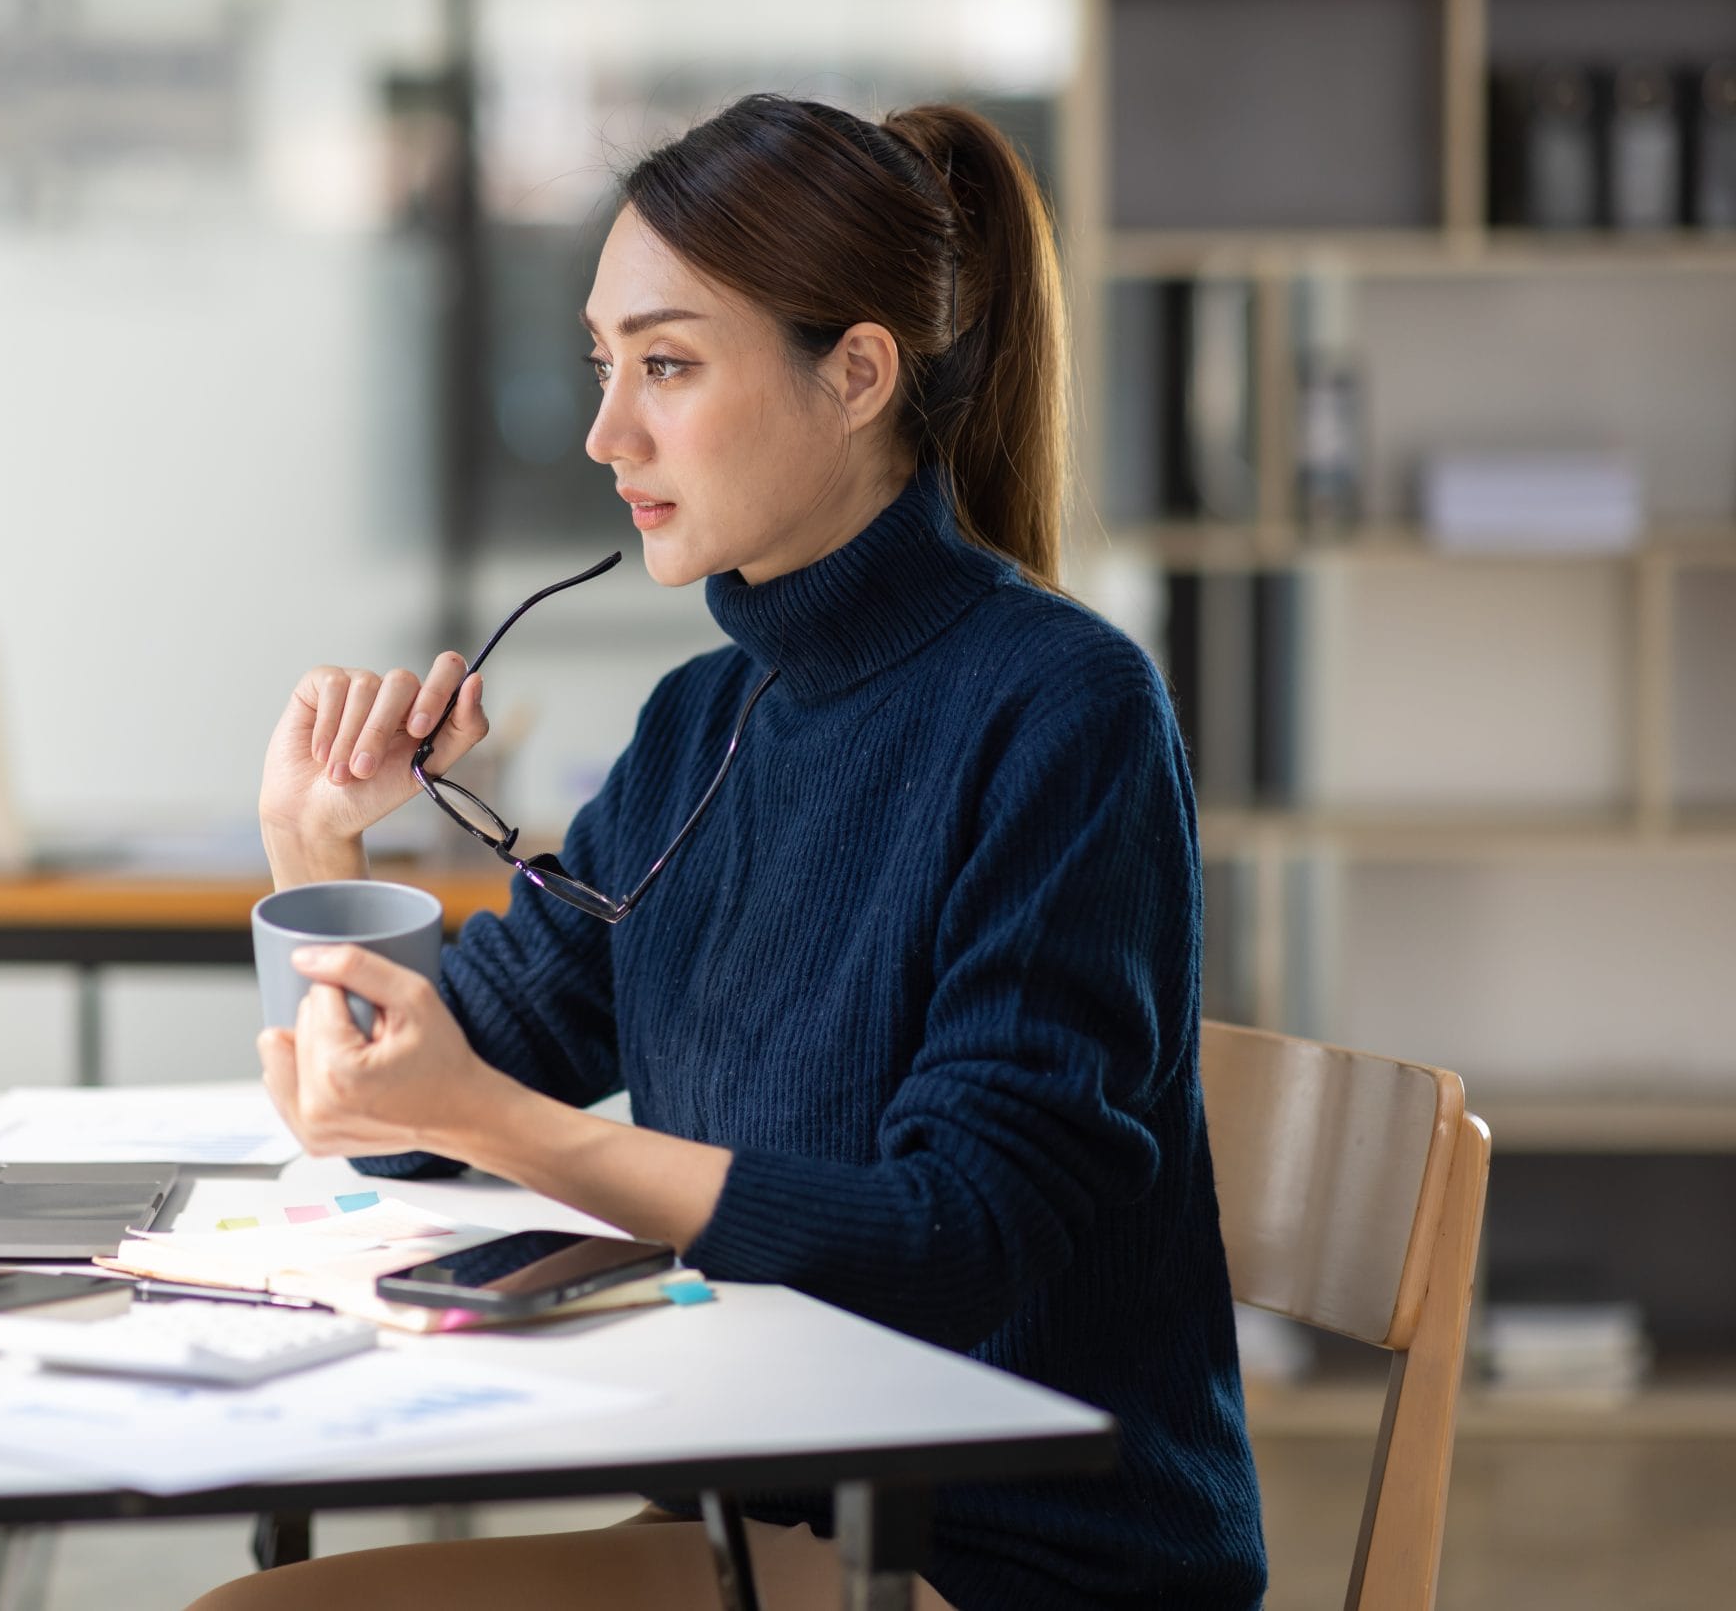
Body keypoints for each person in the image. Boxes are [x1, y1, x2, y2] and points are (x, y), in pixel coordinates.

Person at [194, 95, 1267, 1611]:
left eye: (669, 365)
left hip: (1010, 1559)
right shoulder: (708, 720)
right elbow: (398, 1122)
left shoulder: (1065, 713)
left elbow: (955, 1239)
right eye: (604, 364)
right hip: (765, 1516)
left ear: (857, 376)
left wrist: (515, 1126)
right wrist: (316, 847)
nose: (604, 432)